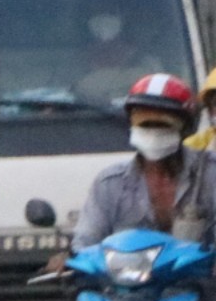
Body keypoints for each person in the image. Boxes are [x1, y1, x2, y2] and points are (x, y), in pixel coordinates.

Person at [69, 73, 216, 249]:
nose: (153, 131)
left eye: (163, 123)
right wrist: (75, 257)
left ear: (186, 128)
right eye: (144, 123)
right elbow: (85, 243)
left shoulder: (211, 174)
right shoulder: (110, 184)